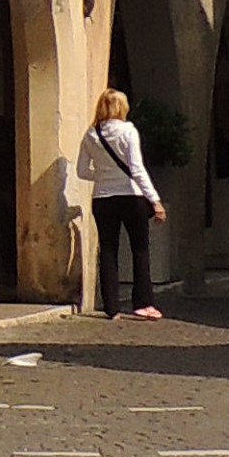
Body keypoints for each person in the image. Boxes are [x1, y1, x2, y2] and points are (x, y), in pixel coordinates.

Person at [76, 87, 166, 320]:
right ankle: (143, 303)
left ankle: (111, 306)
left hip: (103, 198)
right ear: (121, 108)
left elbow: (82, 171)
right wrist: (154, 199)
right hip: (131, 196)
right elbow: (137, 169)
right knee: (140, 248)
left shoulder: (91, 134)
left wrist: (105, 176)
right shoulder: (128, 131)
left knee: (107, 249)